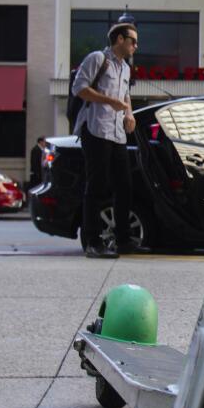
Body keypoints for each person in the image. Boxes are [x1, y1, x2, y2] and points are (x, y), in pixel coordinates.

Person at [71, 23, 139, 258]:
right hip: (96, 130)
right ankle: (93, 242)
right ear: (120, 39)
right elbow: (78, 88)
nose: (135, 46)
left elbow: (126, 96)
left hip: (117, 133)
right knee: (96, 187)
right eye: (133, 41)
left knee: (125, 186)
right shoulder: (98, 58)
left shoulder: (126, 68)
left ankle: (123, 240)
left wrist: (129, 114)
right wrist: (110, 101)